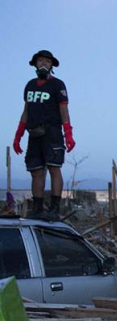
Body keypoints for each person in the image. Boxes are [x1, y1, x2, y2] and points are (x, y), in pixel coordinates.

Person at [12, 49, 76, 220]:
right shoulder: (30, 85)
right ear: (35, 64)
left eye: (47, 62)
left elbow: (64, 109)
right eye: (40, 61)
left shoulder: (58, 85)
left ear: (52, 65)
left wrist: (68, 134)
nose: (44, 64)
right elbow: (26, 111)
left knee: (54, 168)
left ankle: (55, 209)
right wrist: (18, 136)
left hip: (52, 132)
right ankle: (38, 208)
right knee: (36, 171)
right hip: (34, 133)